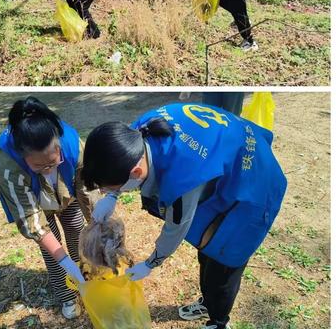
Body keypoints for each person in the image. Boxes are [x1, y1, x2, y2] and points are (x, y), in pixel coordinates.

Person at [82, 102, 287, 329]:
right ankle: (209, 302)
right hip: (226, 163)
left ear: (136, 173)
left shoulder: (181, 178)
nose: (104, 192)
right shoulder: (134, 135)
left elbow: (176, 227)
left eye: (108, 188)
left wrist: (151, 263)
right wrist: (112, 196)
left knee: (223, 264)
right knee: (206, 250)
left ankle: (218, 321)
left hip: (254, 185)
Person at [0, 96, 92, 319]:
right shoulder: (7, 163)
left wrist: (97, 223)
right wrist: (66, 261)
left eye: (53, 161)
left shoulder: (72, 143)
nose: (47, 168)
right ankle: (66, 294)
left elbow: (86, 188)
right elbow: (32, 219)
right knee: (53, 248)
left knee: (77, 228)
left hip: (65, 190)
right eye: (39, 165)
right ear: (22, 155)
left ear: (58, 145)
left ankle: (84, 281)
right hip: (35, 199)